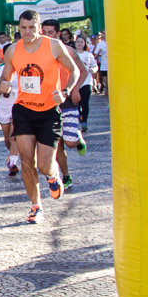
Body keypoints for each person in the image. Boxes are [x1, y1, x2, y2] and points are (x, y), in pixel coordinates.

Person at [0, 10, 79, 224]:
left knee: (44, 165)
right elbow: (5, 80)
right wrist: (4, 87)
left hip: (49, 112)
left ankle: (52, 175)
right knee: (26, 161)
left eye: (32, 28)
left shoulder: (53, 46)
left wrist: (66, 91)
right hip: (23, 110)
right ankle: (36, 206)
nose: (27, 32)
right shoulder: (13, 50)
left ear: (39, 27)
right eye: (23, 28)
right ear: (19, 28)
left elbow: (74, 71)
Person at [41, 19, 89, 190]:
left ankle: (77, 138)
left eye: (50, 32)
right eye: (44, 32)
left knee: (68, 142)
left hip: (67, 99)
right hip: (49, 102)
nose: (47, 36)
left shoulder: (68, 51)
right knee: (58, 143)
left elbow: (83, 71)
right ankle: (66, 176)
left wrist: (75, 89)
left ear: (58, 33)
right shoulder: (38, 53)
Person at [0, 49, 21, 177]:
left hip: (19, 104)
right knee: (7, 139)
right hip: (4, 106)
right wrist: (2, 90)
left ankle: (13, 163)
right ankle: (12, 155)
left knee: (13, 137)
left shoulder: (23, 67)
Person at [73, 34, 97, 131]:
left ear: (84, 43)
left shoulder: (88, 55)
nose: (79, 44)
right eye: (78, 42)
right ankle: (80, 117)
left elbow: (95, 66)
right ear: (75, 43)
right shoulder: (72, 54)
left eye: (81, 42)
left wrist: (93, 70)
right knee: (76, 103)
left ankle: (84, 121)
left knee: (85, 103)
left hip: (86, 82)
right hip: (75, 82)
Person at [93, 30, 107, 97]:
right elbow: (95, 57)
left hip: (113, 67)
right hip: (104, 66)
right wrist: (99, 53)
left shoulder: (113, 41)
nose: (105, 35)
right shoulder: (100, 44)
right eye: (103, 33)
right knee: (107, 85)